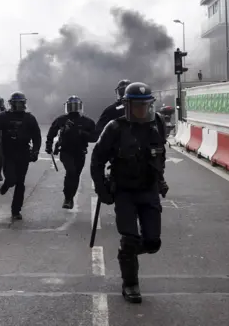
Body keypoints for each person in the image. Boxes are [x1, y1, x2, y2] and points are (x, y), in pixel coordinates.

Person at [90, 82, 169, 304]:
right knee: (130, 238)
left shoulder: (158, 124)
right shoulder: (115, 128)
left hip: (149, 190)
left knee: (153, 242)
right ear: (127, 105)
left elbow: (159, 155)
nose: (141, 110)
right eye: (137, 105)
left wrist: (161, 179)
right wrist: (101, 188)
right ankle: (130, 283)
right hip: (124, 191)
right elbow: (97, 160)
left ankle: (127, 254)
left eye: (145, 105)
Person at [0, 91, 41, 220]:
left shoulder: (29, 118)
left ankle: (16, 210)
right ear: (12, 104)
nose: (20, 106)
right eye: (17, 103)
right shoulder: (2, 117)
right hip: (8, 153)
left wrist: (36, 151)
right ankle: (7, 184)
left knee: (20, 183)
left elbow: (37, 136)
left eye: (22, 103)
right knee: (11, 179)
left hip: (23, 153)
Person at [45, 95, 96, 209]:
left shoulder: (87, 122)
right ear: (67, 107)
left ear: (80, 107)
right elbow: (52, 132)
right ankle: (67, 198)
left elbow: (95, 137)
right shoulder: (62, 119)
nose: (73, 109)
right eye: (71, 106)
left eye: (75, 106)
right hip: (65, 151)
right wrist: (48, 145)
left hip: (80, 152)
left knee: (75, 175)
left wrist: (82, 133)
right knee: (71, 172)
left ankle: (70, 197)